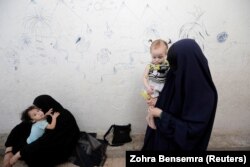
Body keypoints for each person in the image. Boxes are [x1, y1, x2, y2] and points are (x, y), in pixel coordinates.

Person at [142, 39, 218, 151]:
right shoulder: (174, 74)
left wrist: (161, 114)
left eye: (175, 64)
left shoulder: (206, 96)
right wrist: (158, 102)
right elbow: (171, 100)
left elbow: (192, 131)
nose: (172, 68)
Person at [3, 95, 80, 167]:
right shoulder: (44, 115)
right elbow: (20, 127)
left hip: (61, 144)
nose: (39, 112)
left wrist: (19, 154)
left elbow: (45, 140)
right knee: (22, 137)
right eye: (37, 110)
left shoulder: (64, 118)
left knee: (34, 158)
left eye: (39, 109)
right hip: (46, 139)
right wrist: (8, 150)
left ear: (45, 106)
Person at [143, 39, 170, 129]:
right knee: (152, 104)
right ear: (151, 55)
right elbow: (144, 77)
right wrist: (147, 87)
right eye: (154, 57)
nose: (157, 60)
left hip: (162, 88)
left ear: (166, 55)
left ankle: (153, 117)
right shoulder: (150, 66)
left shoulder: (167, 65)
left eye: (160, 57)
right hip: (152, 88)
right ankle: (150, 117)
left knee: (160, 105)